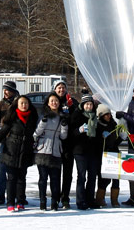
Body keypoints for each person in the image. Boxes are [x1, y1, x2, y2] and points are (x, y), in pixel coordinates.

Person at [0, 95, 38, 211]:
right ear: (17, 105)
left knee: (22, 178)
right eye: (21, 103)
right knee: (11, 178)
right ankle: (10, 202)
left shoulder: (32, 117)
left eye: (26, 103)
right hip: (11, 151)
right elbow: (2, 132)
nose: (24, 105)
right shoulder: (12, 117)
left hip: (25, 151)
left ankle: (20, 201)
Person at [33, 92, 68, 210]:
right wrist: (43, 121)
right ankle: (43, 202)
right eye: (52, 101)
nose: (54, 103)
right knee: (43, 179)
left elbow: (63, 136)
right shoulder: (43, 115)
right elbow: (36, 133)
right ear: (48, 103)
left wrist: (64, 125)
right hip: (43, 150)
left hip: (56, 151)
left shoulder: (62, 116)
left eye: (56, 101)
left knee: (55, 179)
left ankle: (54, 202)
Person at [69, 94, 101, 209]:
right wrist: (79, 130)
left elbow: (98, 134)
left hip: (92, 150)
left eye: (90, 104)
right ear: (82, 105)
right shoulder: (77, 115)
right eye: (86, 104)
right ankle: (80, 201)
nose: (89, 106)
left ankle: (90, 200)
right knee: (81, 176)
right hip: (80, 150)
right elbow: (71, 133)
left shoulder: (95, 117)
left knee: (92, 176)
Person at [0, 80, 20, 205]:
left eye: (7, 89)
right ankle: (0, 195)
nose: (5, 92)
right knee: (1, 169)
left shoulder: (18, 102)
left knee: (15, 170)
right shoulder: (2, 103)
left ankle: (15, 195)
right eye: (4, 90)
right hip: (5, 139)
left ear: (13, 91)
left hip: (15, 139)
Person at [53, 80, 77, 208]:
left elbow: (77, 117)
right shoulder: (51, 100)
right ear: (55, 89)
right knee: (55, 172)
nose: (61, 90)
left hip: (69, 143)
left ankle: (65, 197)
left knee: (67, 173)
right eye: (59, 88)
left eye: (63, 87)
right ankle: (55, 197)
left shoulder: (71, 101)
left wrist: (72, 107)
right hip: (55, 142)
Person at [95, 103, 123, 207]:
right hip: (103, 155)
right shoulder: (98, 125)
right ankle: (99, 198)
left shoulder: (113, 124)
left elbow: (116, 140)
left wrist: (121, 136)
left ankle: (114, 199)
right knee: (104, 179)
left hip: (114, 153)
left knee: (116, 178)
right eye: (106, 115)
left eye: (109, 114)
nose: (109, 116)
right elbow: (96, 142)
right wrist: (102, 138)